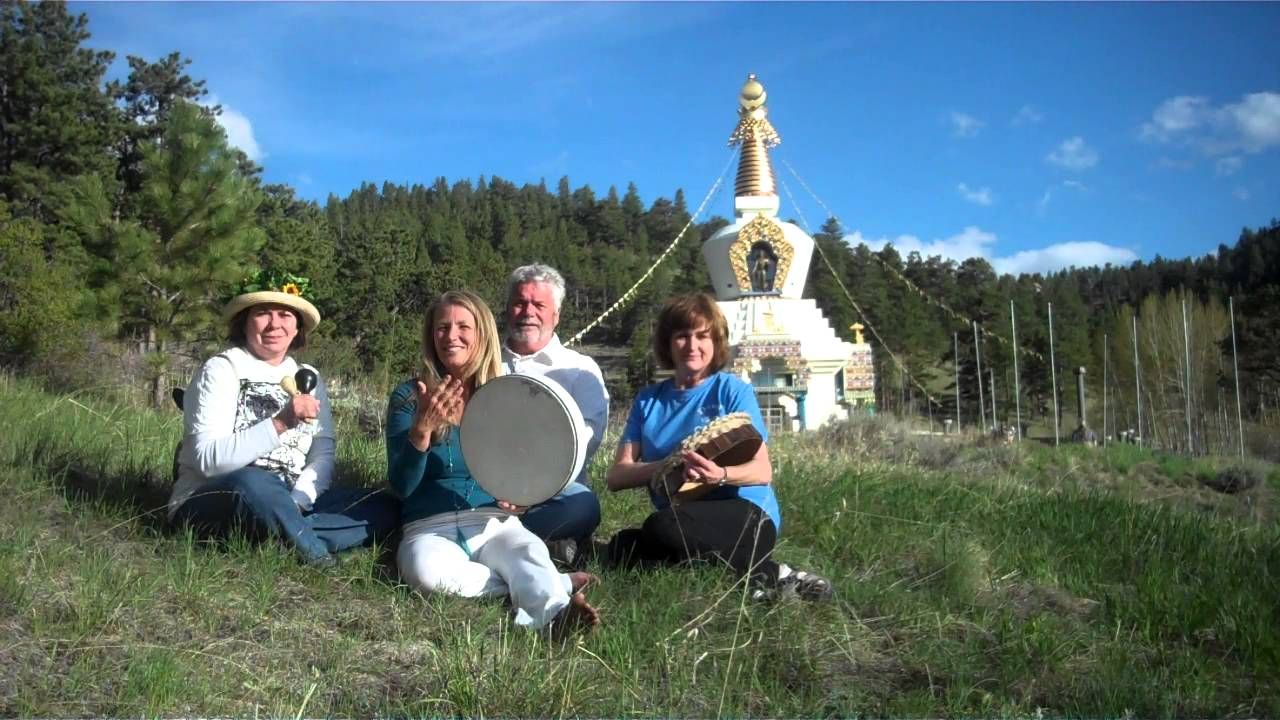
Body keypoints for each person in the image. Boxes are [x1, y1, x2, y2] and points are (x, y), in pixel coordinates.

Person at [387, 289, 600, 632]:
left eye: (462, 327)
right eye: (442, 327)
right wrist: (421, 432)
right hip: (428, 526)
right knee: (426, 573)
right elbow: (401, 486)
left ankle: (555, 618)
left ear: (482, 334)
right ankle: (548, 582)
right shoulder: (410, 396)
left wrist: (522, 500)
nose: (451, 336)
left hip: (493, 521)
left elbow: (526, 469)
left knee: (526, 549)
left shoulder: (505, 394)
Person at [604, 293, 832, 600]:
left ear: (716, 342)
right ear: (668, 343)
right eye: (682, 336)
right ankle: (769, 575)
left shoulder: (732, 391)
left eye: (702, 336)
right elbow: (617, 476)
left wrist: (720, 474)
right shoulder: (649, 400)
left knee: (661, 528)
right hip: (684, 516)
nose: (692, 346)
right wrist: (668, 466)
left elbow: (762, 471)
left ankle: (765, 578)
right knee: (622, 546)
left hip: (746, 513)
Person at [169, 271, 399, 566]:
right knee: (254, 482)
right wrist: (282, 422)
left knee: (383, 505)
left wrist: (297, 502)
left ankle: (279, 539)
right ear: (244, 322)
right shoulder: (221, 369)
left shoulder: (309, 377)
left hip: (289, 498)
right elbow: (208, 461)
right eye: (263, 313)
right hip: (221, 495)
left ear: (297, 328)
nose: (275, 324)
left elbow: (322, 453)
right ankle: (316, 555)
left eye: (285, 315)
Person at [501, 264, 607, 565]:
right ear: (509, 309)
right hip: (489, 485)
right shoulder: (485, 360)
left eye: (539, 305)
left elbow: (586, 439)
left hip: (555, 489)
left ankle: (498, 539)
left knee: (583, 506)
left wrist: (531, 488)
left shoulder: (581, 369)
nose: (528, 312)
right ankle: (539, 544)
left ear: (556, 315)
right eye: (520, 303)